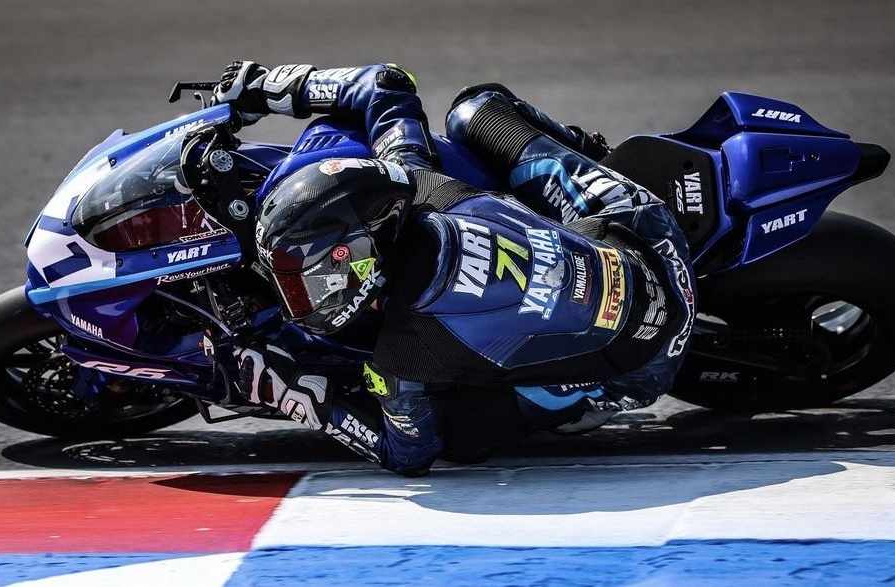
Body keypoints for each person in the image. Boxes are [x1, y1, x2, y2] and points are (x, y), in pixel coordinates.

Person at [211, 61, 695, 475]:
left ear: (359, 259)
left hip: (642, 369)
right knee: (473, 111)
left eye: (305, 282)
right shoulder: (420, 181)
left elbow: (407, 453)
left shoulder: (401, 352)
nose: (298, 297)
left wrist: (288, 391)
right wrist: (270, 84)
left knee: (462, 438)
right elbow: (386, 82)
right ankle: (587, 159)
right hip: (647, 235)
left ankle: (584, 391)